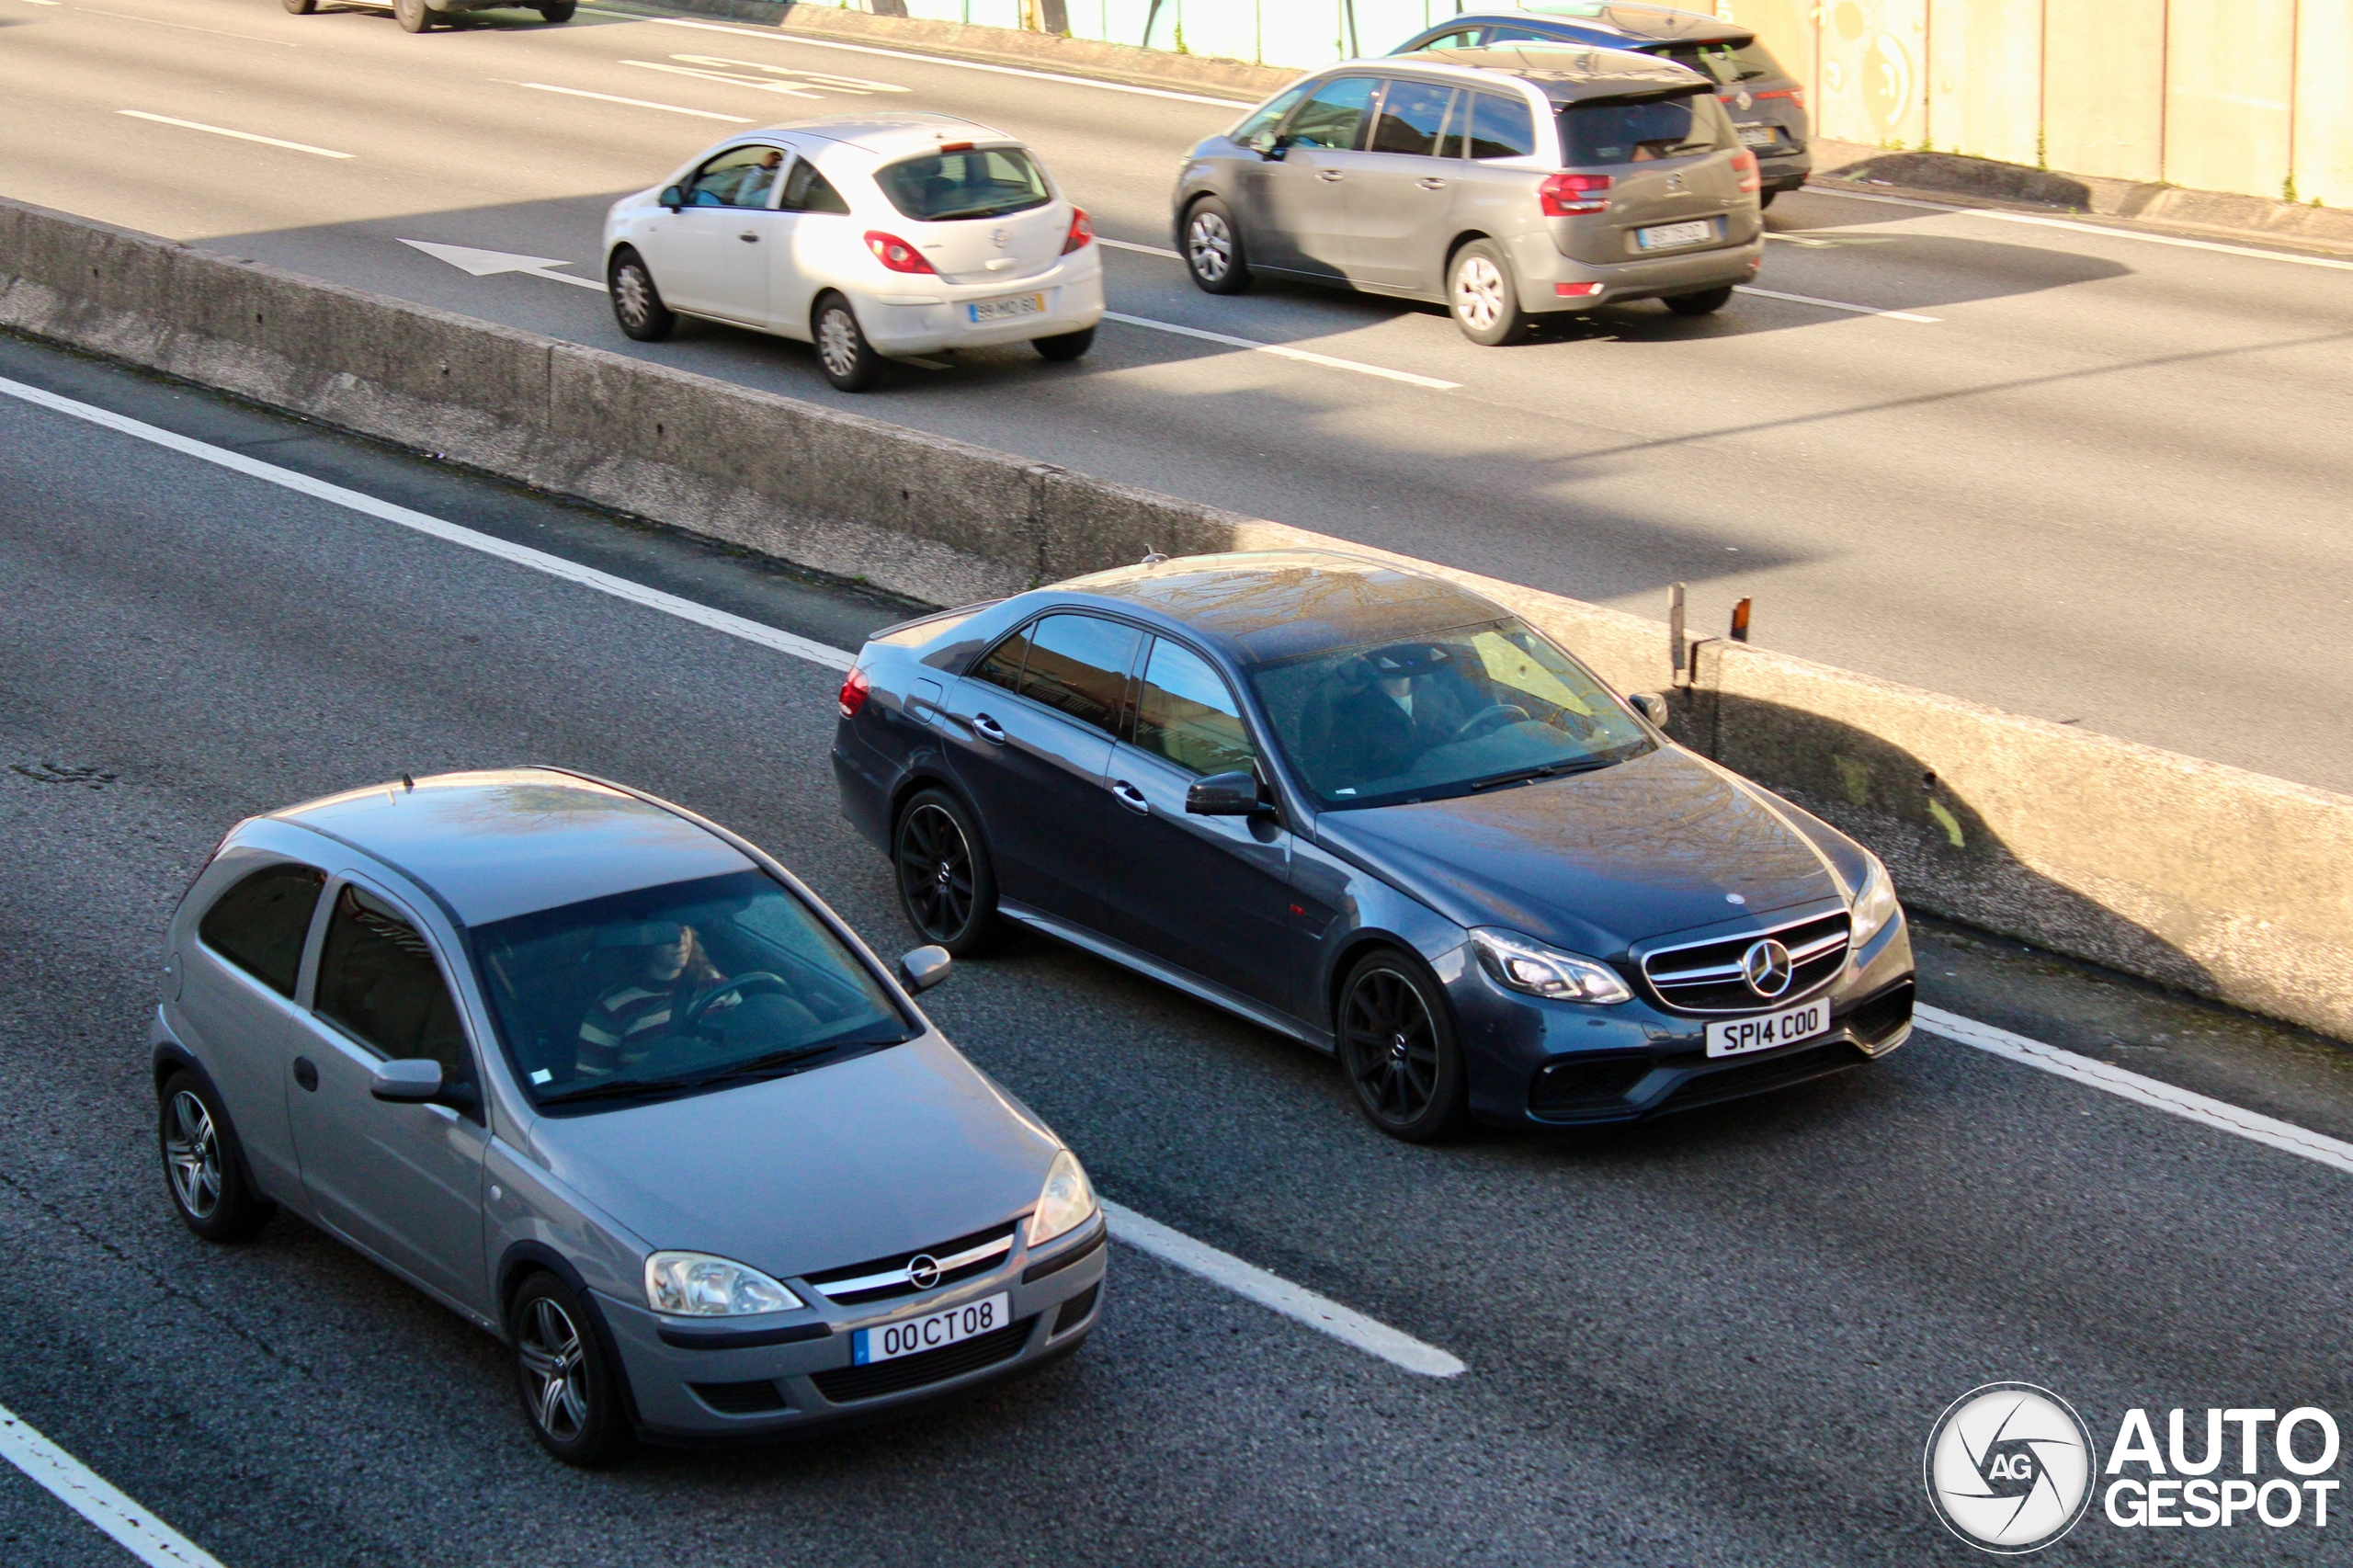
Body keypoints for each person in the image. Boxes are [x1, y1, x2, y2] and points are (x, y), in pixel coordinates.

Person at [1308, 643, 1484, 790]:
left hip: (1462, 788)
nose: (1405, 657)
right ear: (1367, 659)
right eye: (1393, 652)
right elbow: (1341, 776)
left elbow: (1470, 745)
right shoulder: (1353, 712)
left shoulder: (1440, 695)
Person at [575, 921, 725, 1078]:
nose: (680, 941)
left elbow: (741, 1031)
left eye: (683, 931)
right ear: (645, 944)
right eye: (668, 935)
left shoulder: (710, 980)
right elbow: (589, 1079)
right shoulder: (612, 1007)